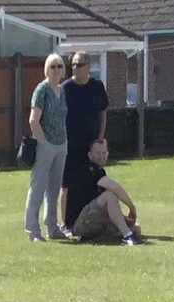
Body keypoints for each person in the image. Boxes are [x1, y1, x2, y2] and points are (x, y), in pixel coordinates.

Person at [64, 135, 142, 244]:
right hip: (78, 224)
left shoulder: (100, 171)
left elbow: (106, 205)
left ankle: (91, 236)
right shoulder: (89, 169)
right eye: (97, 153)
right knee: (110, 195)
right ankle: (127, 236)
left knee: (135, 228)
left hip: (93, 217)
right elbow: (115, 187)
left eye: (104, 153)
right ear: (90, 155)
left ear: (107, 154)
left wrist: (123, 218)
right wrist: (131, 207)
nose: (101, 156)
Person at [60, 53, 109, 225]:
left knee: (95, 182)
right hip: (71, 145)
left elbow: (102, 113)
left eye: (79, 65)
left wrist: (100, 138)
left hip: (92, 145)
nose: (75, 68)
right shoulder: (65, 89)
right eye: (73, 64)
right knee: (66, 185)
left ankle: (96, 220)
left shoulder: (97, 87)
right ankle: (65, 223)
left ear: (88, 67)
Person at [25, 52, 68, 242]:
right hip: (46, 144)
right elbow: (33, 120)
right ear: (46, 69)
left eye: (59, 66)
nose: (56, 70)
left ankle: (52, 226)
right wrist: (43, 141)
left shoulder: (62, 91)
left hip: (61, 143)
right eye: (53, 66)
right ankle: (33, 231)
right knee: (38, 187)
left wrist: (63, 141)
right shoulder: (41, 90)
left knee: (54, 188)